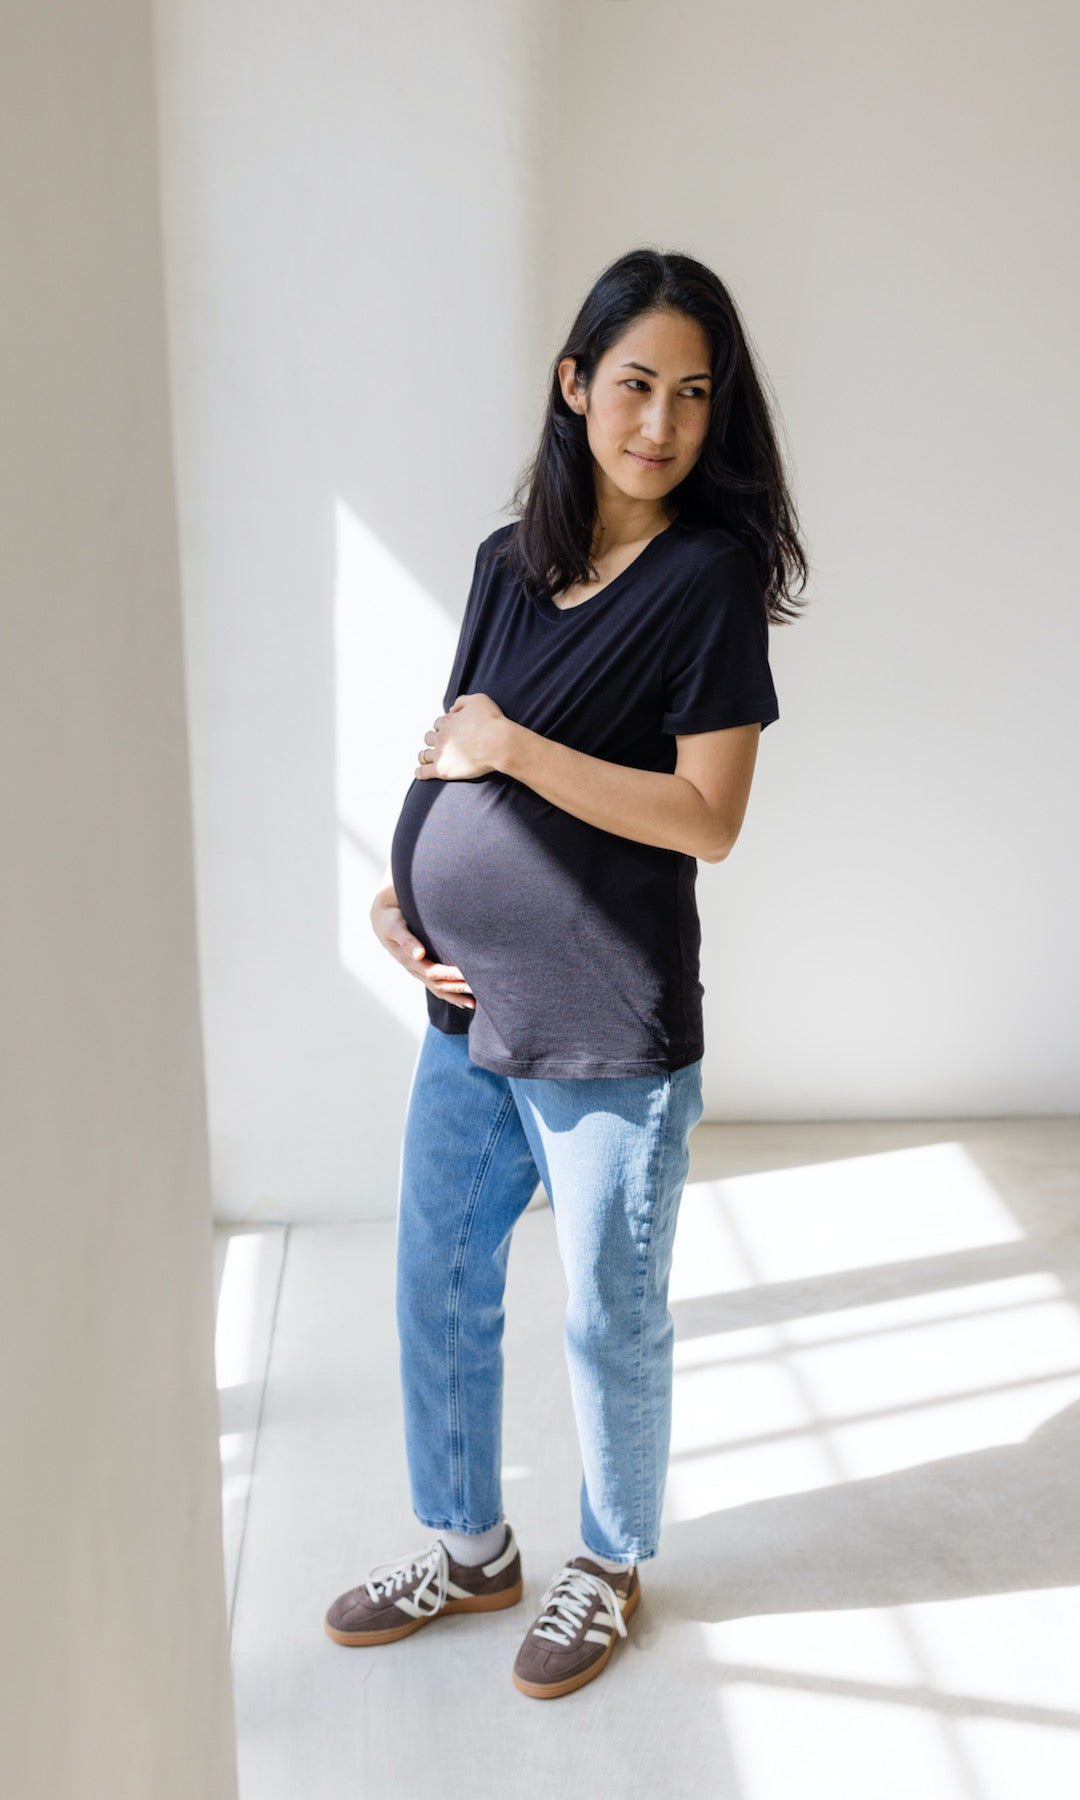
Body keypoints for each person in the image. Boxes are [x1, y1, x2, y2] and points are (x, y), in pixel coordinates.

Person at [324, 246, 809, 1698]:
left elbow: (706, 819)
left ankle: (607, 1564)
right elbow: (449, 756)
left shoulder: (708, 581)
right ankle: (471, 1551)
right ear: (575, 385)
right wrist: (400, 897)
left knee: (607, 1310)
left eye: (693, 396)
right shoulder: (505, 563)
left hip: (610, 1023)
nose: (659, 423)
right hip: (461, 1006)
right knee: (435, 1278)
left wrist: (515, 754)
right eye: (635, 384)